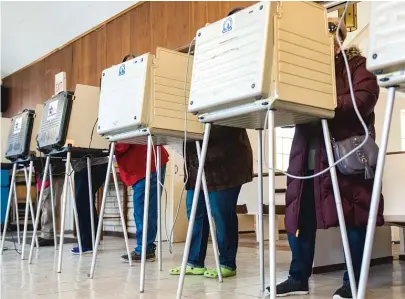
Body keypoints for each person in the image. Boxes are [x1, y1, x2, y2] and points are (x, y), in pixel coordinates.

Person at [266, 19, 383, 299]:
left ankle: (353, 282)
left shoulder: (357, 65)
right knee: (299, 218)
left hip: (345, 155)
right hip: (306, 155)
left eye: (331, 37)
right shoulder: (304, 72)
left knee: (354, 217)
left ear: (340, 40)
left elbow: (365, 98)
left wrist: (326, 104)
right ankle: (298, 278)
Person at [169, 7, 253, 277]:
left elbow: (232, 120)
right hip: (199, 159)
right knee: (195, 213)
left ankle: (227, 261)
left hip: (227, 159)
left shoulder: (241, 70)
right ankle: (194, 261)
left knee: (221, 214)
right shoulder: (204, 75)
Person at [116, 143, 169, 262]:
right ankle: (146, 248)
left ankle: (145, 250)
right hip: (146, 161)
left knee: (144, 210)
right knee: (145, 209)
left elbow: (123, 143)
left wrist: (107, 145)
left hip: (147, 161)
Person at [71, 156, 109, 254]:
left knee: (82, 201)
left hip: (94, 165)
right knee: (85, 202)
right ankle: (91, 242)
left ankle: (88, 243)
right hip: (83, 166)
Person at [34, 159, 64, 247]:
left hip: (53, 172)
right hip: (44, 171)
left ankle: (48, 235)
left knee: (49, 205)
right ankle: (46, 234)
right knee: (45, 204)